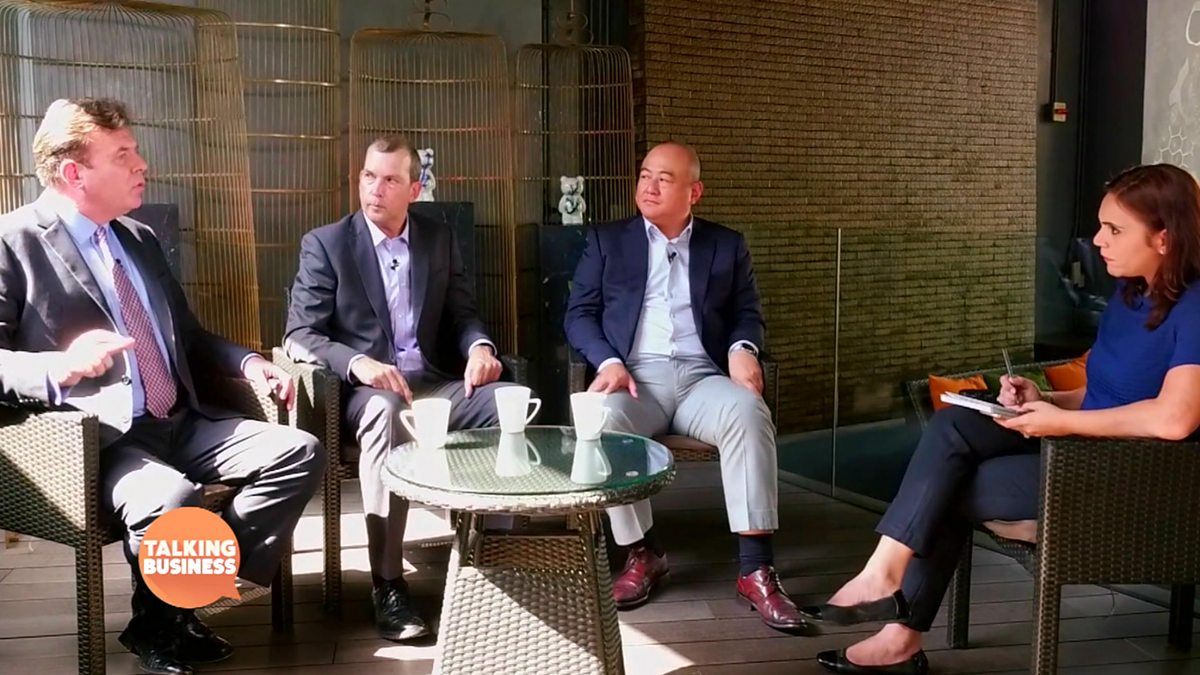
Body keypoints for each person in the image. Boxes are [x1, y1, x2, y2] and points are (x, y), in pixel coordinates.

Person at [801, 163, 1200, 674]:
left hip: (1132, 476)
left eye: (1114, 229)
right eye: (1100, 225)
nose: (1097, 240)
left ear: (1165, 237)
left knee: (947, 484)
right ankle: (883, 575)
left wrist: (1061, 424)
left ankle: (899, 628)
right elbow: (1105, 395)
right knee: (953, 425)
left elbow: (1174, 419)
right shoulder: (1130, 295)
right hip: (1080, 448)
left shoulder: (1195, 308)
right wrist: (1047, 400)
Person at [0, 98, 325, 675]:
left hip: (181, 419)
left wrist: (249, 362)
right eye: (122, 154)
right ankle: (170, 613)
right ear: (74, 173)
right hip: (99, 441)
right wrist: (57, 367)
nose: (141, 164)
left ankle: (186, 599)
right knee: (170, 499)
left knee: (298, 451)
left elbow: (188, 336)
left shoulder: (138, 237)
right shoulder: (13, 241)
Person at [564, 141, 807, 633]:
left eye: (664, 178)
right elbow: (579, 314)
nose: (649, 186)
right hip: (635, 378)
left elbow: (747, 313)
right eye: (644, 175)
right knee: (600, 422)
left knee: (749, 412)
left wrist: (743, 348)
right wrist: (609, 361)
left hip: (704, 378)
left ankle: (755, 568)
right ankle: (643, 552)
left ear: (694, 192)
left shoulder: (726, 244)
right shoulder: (608, 240)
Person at [284, 135, 513, 642]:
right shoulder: (327, 244)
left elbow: (463, 314)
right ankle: (388, 584)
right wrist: (358, 364)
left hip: (433, 384)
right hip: (366, 395)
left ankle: (493, 564)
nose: (375, 189)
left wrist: (480, 348)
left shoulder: (437, 238)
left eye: (390, 180)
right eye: (369, 176)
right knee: (387, 414)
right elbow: (299, 333)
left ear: (414, 189)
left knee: (505, 403)